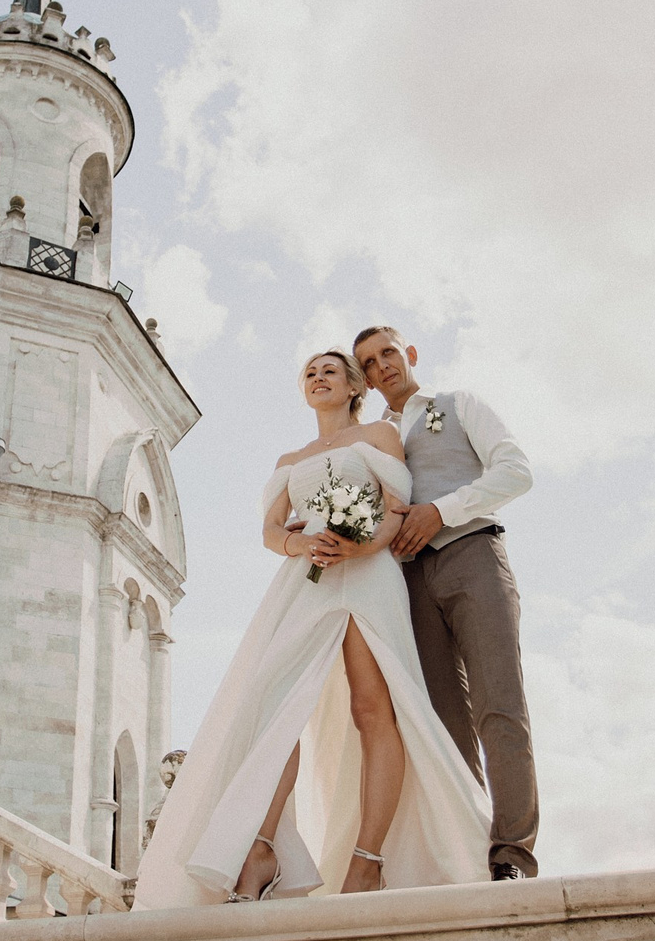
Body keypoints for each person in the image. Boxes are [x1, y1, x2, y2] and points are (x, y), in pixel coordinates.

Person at [135, 351, 490, 909]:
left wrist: (359, 547)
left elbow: (396, 509)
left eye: (330, 371)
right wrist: (300, 543)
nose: (318, 378)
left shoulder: (378, 435)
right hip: (306, 580)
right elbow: (271, 530)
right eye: (310, 373)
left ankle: (367, 861)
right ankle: (260, 849)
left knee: (373, 709)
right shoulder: (290, 458)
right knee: (274, 706)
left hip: (369, 576)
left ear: (353, 386)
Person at [353, 325, 538, 880]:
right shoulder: (371, 439)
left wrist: (443, 510)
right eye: (369, 363)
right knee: (440, 721)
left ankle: (511, 853)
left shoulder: (459, 405)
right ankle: (470, 849)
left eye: (388, 353)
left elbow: (516, 471)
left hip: (473, 555)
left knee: (499, 704)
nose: (382, 365)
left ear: (409, 354)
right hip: (405, 579)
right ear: (365, 380)